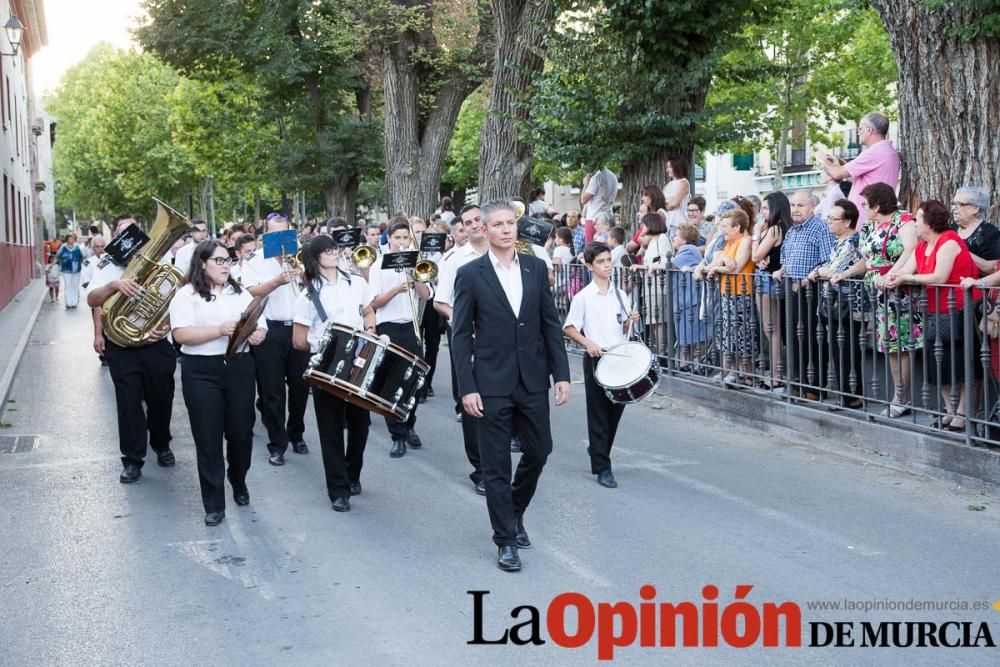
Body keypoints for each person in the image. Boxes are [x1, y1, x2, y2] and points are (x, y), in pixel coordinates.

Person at [451, 198, 571, 573]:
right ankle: (505, 540)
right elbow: (459, 337)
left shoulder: (536, 269)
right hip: (490, 383)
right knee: (496, 465)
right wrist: (467, 388)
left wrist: (561, 374)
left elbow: (550, 325)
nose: (506, 229)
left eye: (510, 223)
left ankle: (515, 512)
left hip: (532, 378)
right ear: (484, 230)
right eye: (498, 224)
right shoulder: (470, 274)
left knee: (540, 450)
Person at [170, 240, 266, 525]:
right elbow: (181, 335)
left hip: (239, 366)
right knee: (208, 438)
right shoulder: (186, 295)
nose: (226, 266)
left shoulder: (240, 292)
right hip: (201, 370)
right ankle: (214, 504)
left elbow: (259, 321)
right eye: (219, 261)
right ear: (202, 264)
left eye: (228, 261)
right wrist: (218, 330)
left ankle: (238, 479)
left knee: (241, 432)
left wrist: (258, 333)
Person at [87, 216, 178, 484]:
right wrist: (114, 285)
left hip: (156, 344)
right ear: (115, 237)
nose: (127, 236)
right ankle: (132, 459)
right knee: (128, 405)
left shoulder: (160, 262)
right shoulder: (107, 264)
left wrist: (169, 325)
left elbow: (178, 298)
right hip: (122, 347)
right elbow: (92, 299)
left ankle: (161, 443)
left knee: (162, 399)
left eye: (133, 231)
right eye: (121, 232)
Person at [292, 235, 377, 512]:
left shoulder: (357, 282)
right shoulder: (307, 295)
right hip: (325, 363)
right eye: (327, 250)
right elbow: (298, 340)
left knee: (360, 423)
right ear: (315, 257)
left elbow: (368, 310)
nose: (334, 253)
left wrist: (371, 329)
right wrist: (321, 345)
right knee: (330, 428)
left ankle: (352, 474)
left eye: (334, 248)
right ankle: (337, 489)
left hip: (357, 359)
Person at [888, 201, 980, 430]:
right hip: (933, 310)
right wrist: (892, 277)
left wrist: (906, 279)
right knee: (938, 362)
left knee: (961, 361)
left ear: (930, 221)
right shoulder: (921, 246)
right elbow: (906, 269)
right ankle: (949, 409)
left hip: (960, 309)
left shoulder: (949, 241)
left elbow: (939, 277)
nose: (915, 223)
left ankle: (964, 412)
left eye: (918, 219)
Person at [837, 183, 920, 417]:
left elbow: (911, 248)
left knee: (900, 343)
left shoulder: (902, 219)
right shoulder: (869, 226)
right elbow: (867, 259)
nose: (863, 208)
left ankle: (901, 397)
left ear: (877, 203)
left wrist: (892, 274)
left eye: (865, 204)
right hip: (875, 289)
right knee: (888, 344)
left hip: (897, 288)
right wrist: (846, 273)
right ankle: (899, 395)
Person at [563, 241, 640, 488]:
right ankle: (603, 466)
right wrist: (587, 342)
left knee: (615, 410)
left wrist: (630, 321)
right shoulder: (583, 297)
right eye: (601, 262)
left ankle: (599, 453)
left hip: (620, 357)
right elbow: (569, 327)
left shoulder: (621, 294)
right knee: (597, 412)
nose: (607, 266)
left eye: (609, 261)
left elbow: (625, 328)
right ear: (589, 266)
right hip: (597, 358)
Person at [241, 213, 311, 466]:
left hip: (299, 328)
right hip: (270, 329)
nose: (281, 239)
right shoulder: (254, 261)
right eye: (275, 234)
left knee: (301, 386)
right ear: (266, 236)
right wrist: (277, 281)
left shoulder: (301, 256)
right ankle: (277, 443)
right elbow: (251, 292)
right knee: (272, 391)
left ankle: (297, 432)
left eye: (286, 233)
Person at [433, 204, 487, 493]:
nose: (476, 225)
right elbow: (440, 301)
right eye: (469, 222)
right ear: (462, 229)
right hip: (468, 337)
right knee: (472, 402)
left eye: (479, 219)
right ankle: (479, 468)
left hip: (499, 340)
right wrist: (463, 320)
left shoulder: (503, 252)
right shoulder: (454, 259)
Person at [366, 218, 430, 457]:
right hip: (389, 326)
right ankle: (397, 434)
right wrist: (395, 290)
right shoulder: (379, 264)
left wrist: (416, 279)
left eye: (406, 238)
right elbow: (374, 302)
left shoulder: (416, 262)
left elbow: (425, 296)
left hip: (411, 326)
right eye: (398, 238)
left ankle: (409, 424)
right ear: (389, 239)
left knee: (415, 380)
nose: (402, 242)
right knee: (392, 381)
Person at [771, 191, 836, 399]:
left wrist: (808, 279)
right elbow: (785, 259)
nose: (795, 209)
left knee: (812, 339)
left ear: (812, 207)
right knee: (793, 339)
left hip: (812, 292)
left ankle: (815, 387)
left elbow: (828, 261)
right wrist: (781, 270)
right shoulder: (792, 232)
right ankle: (797, 383)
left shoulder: (820, 229)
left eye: (800, 205)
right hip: (791, 293)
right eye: (793, 205)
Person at [810, 200, 865, 408]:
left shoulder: (853, 242)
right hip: (833, 303)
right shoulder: (838, 241)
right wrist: (820, 271)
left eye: (833, 219)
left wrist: (819, 272)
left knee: (847, 349)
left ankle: (852, 395)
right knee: (837, 348)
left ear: (848, 221)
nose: (828, 222)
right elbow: (826, 266)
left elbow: (834, 270)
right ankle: (844, 393)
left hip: (849, 305)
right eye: (829, 218)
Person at [822, 112, 900, 225]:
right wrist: (839, 164)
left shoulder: (875, 152)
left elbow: (836, 173)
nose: (858, 132)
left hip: (865, 220)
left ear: (869, 130)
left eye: (860, 129)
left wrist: (822, 159)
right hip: (875, 218)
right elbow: (855, 177)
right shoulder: (889, 152)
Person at [706, 209, 755, 385]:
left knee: (742, 333)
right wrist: (721, 264)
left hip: (742, 293)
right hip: (727, 293)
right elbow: (715, 263)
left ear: (738, 227)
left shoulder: (745, 240)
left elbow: (737, 267)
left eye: (726, 226)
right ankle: (732, 370)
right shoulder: (728, 243)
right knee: (728, 333)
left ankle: (747, 374)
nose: (722, 229)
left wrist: (718, 267)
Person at [752, 192, 789, 388]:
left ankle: (776, 375)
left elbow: (755, 256)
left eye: (766, 208)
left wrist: (756, 233)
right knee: (771, 330)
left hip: (769, 282)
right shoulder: (774, 228)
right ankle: (777, 372)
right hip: (766, 278)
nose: (762, 212)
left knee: (771, 329)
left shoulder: (774, 229)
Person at [670, 223, 708, 368]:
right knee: (686, 329)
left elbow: (671, 264)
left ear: (684, 240)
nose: (673, 237)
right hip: (684, 296)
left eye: (677, 235)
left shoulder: (688, 249)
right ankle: (688, 361)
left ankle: (690, 362)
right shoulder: (685, 250)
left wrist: (653, 266)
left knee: (689, 330)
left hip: (689, 297)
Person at [952, 186, 999, 276]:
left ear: (975, 209)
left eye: (960, 204)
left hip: (975, 286)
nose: (954, 208)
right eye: (953, 204)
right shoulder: (950, 229)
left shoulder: (990, 233)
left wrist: (960, 250)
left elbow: (993, 268)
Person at [582, 168, 619, 245]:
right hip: (608, 217)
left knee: (590, 249)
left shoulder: (596, 177)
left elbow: (583, 200)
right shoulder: (613, 176)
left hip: (593, 218)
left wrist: (586, 183)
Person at [662, 158, 691, 236]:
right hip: (667, 222)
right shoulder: (668, 184)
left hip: (677, 223)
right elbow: (660, 202)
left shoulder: (684, 183)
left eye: (670, 167)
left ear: (677, 167)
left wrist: (666, 203)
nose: (667, 170)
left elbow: (674, 203)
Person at [56, 234, 84, 308]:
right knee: (68, 286)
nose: (72, 240)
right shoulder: (63, 247)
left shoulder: (77, 247)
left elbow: (82, 256)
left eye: (73, 238)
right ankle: (68, 302)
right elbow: (57, 256)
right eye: (71, 238)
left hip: (76, 270)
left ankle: (74, 302)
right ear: (67, 239)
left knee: (75, 286)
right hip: (66, 270)